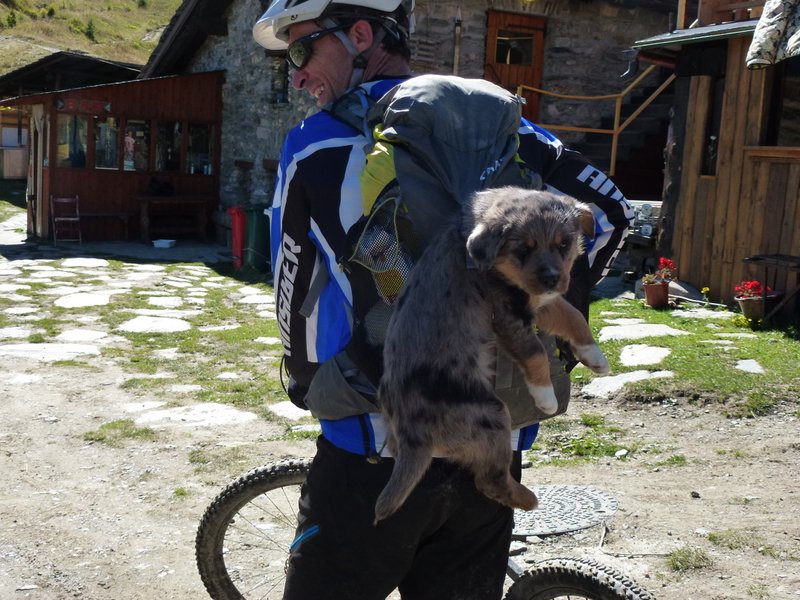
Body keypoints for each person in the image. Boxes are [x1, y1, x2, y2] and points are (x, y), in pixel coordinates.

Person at [253, 2, 633, 599]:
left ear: (360, 35)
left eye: (302, 51)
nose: (297, 75)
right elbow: (612, 213)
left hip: (375, 440)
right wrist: (543, 305)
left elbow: (292, 281)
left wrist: (305, 381)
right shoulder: (516, 133)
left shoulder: (315, 144)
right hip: (495, 443)